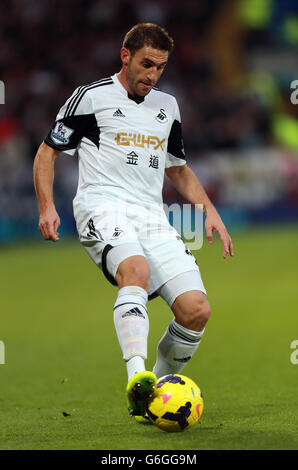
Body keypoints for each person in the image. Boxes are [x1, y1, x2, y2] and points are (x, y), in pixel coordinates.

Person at [33, 23, 234, 422]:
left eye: (160, 67)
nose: (152, 74)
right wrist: (46, 206)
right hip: (101, 206)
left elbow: (177, 169)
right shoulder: (90, 97)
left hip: (151, 214)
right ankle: (136, 373)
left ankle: (147, 398)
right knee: (135, 270)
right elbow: (46, 153)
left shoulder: (168, 106)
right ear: (125, 56)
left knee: (196, 310)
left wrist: (209, 210)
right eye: (146, 64)